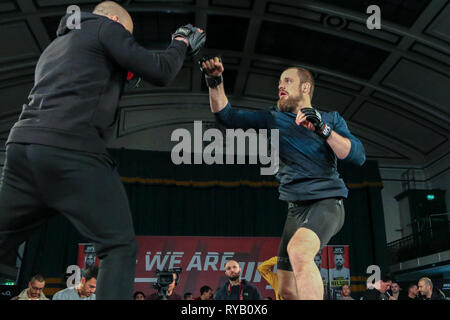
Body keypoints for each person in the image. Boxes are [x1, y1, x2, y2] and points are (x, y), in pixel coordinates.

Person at [0, 1, 205, 300]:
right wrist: (181, 42)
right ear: (113, 19)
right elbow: (160, 71)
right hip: (71, 149)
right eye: (127, 35)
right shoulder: (105, 26)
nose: (126, 40)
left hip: (23, 151)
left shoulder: (56, 47)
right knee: (118, 247)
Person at [201, 58, 365, 300]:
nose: (281, 85)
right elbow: (226, 116)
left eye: (288, 81)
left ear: (305, 87)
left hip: (326, 203)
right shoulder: (273, 119)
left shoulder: (331, 119)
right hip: (295, 211)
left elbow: (357, 156)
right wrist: (215, 81)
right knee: (287, 290)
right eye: (279, 82)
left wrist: (323, 129)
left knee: (299, 251)